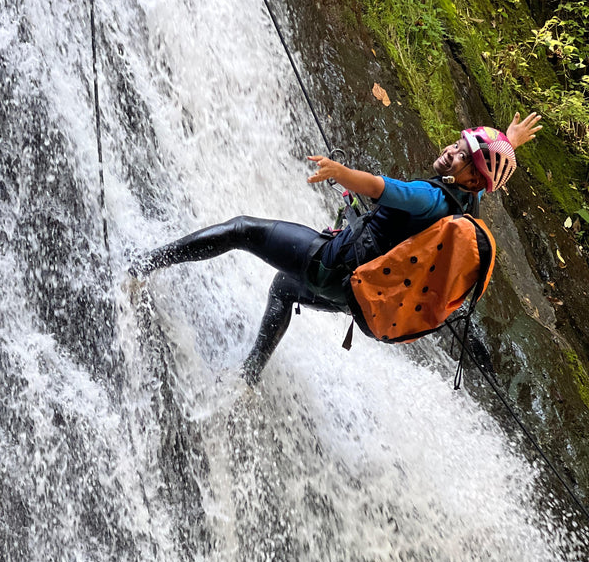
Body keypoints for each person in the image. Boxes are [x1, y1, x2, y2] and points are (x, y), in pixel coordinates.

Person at [129, 112, 542, 385]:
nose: (450, 151)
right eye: (456, 145)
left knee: (241, 230)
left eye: (462, 156)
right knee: (283, 288)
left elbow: (384, 188)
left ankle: (141, 267)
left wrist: (342, 172)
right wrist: (510, 140)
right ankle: (250, 375)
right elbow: (486, 170)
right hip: (352, 292)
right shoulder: (466, 204)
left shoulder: (428, 198)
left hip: (330, 264)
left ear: (472, 177)